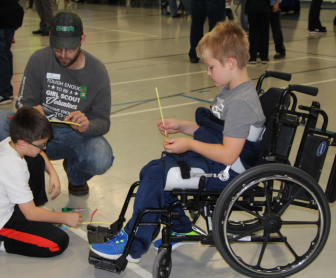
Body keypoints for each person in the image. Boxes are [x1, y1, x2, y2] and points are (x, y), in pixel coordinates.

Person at [90, 22, 265, 263]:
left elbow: (228, 155)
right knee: (159, 168)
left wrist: (189, 144)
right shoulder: (231, 91)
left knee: (156, 174)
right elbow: (217, 134)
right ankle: (181, 228)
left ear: (231, 63)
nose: (208, 72)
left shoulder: (241, 103)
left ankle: (133, 244)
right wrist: (183, 126)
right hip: (217, 163)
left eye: (211, 66)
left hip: (226, 173)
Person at [0, 12, 113, 196]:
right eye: (57, 48)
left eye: (69, 49)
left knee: (101, 156)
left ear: (82, 40)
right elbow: (23, 102)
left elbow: (103, 121)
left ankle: (75, 176)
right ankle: (24, 170)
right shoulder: (39, 59)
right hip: (36, 133)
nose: (62, 55)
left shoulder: (97, 71)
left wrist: (87, 126)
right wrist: (31, 112)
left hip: (74, 136)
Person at [0, 107, 83, 257]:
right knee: (58, 242)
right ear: (23, 143)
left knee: (36, 158)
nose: (45, 147)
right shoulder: (11, 166)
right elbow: (30, 214)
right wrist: (65, 218)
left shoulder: (12, 142)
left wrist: (52, 172)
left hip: (8, 207)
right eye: (42, 144)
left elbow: (38, 152)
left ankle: (36, 215)